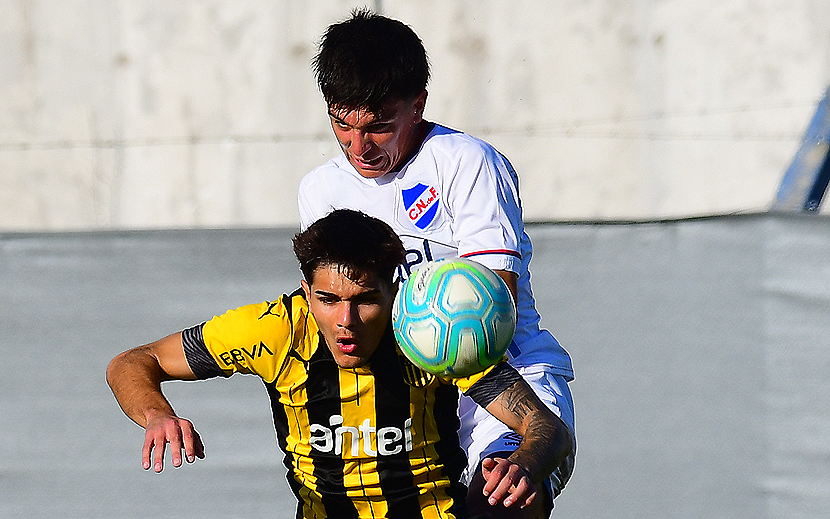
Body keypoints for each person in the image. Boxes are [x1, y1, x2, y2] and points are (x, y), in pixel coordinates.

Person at [107, 209, 572, 519]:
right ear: (306, 291)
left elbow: (546, 429)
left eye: (365, 300)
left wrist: (526, 463)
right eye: (327, 300)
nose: (345, 321)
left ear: (393, 291)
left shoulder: (428, 331)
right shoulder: (272, 329)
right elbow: (133, 361)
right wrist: (157, 414)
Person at [298, 10, 576, 518]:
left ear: (417, 105)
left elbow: (498, 300)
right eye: (342, 124)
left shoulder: (466, 162)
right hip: (408, 398)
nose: (358, 146)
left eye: (378, 127)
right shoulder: (320, 190)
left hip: (501, 381)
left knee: (501, 504)